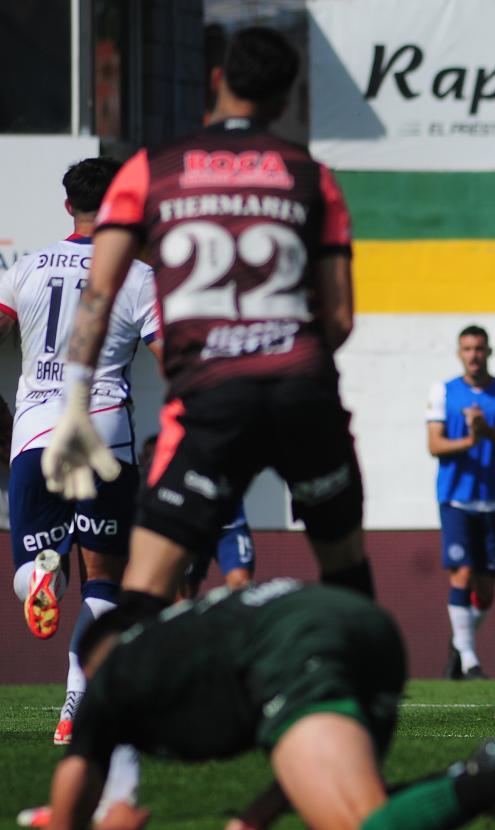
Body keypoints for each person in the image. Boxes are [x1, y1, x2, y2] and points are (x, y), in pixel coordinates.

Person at [39, 27, 372, 614]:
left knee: (141, 594)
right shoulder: (312, 175)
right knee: (345, 569)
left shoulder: (149, 171)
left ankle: (133, 696)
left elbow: (99, 290)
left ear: (217, 82)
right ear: (283, 98)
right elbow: (340, 317)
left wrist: (75, 399)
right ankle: (357, 696)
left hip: (210, 401)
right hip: (302, 391)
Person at [35, 579, 495, 830]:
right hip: (358, 622)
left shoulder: (112, 676)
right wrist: (261, 816)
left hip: (293, 645)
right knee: (370, 812)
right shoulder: (179, 637)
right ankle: (482, 775)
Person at [0, 158, 160, 754]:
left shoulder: (27, 267)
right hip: (102, 432)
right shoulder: (139, 277)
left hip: (36, 431)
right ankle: (74, 706)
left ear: (68, 205)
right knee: (105, 582)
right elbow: (171, 357)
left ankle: (43, 573)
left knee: (31, 572)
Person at [427, 325, 495, 680]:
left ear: (488, 352)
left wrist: (488, 432)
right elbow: (434, 445)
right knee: (462, 573)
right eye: (467, 349)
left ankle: (459, 643)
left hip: (494, 499)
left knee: (485, 590)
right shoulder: (444, 392)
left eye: (479, 349)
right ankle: (470, 661)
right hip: (455, 497)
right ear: (459, 353)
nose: (473, 355)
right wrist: (471, 439)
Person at [138, 433, 256, 597]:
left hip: (229, 525)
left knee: (242, 584)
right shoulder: (153, 481)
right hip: (191, 525)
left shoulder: (226, 436)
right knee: (184, 597)